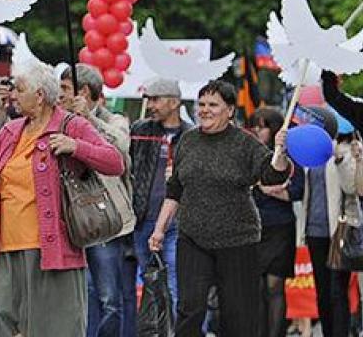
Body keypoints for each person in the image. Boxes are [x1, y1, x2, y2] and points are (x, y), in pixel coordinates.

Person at [0, 58, 124, 337]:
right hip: (7, 248)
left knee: (53, 328)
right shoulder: (11, 131)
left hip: (52, 250)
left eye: (19, 89)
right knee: (8, 323)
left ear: (39, 96)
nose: (12, 95)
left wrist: (76, 146)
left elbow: (115, 162)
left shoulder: (70, 125)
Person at [147, 79, 292, 337]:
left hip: (238, 240)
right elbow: (175, 189)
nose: (204, 110)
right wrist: (159, 230)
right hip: (192, 237)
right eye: (201, 104)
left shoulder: (244, 143)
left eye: (213, 104)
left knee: (238, 315)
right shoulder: (188, 141)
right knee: (190, 308)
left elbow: (272, 175)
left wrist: (280, 153)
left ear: (230, 110)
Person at [59, 64, 136, 337]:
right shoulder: (60, 121)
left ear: (85, 92)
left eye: (66, 89)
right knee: (84, 295)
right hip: (72, 222)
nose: (60, 95)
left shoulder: (113, 119)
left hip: (105, 221)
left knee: (108, 298)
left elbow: (121, 145)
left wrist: (89, 120)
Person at [295, 106, 361, 337]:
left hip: (339, 232)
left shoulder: (343, 151)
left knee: (337, 291)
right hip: (314, 232)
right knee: (322, 292)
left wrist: (341, 160)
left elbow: (351, 188)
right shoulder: (308, 153)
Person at [129, 77, 191, 306]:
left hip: (179, 222)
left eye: (156, 99)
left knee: (176, 285)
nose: (151, 105)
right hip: (144, 220)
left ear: (174, 102)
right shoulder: (139, 129)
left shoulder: (191, 135)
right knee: (151, 286)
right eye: (149, 100)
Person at [246, 106, 305, 337]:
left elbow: (298, 189)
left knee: (275, 285)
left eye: (263, 127)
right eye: (255, 126)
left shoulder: (288, 154)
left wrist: (273, 189)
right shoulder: (249, 152)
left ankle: (276, 333)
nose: (258, 131)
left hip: (280, 227)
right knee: (257, 287)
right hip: (254, 227)